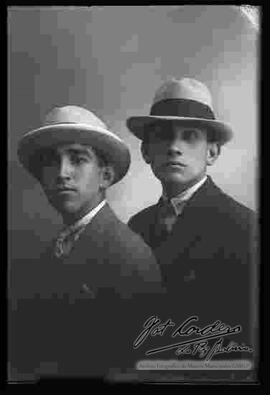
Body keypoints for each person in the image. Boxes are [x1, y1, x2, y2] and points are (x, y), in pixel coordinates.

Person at [9, 105, 164, 381]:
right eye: (51, 162)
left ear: (106, 176)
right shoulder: (45, 253)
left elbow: (138, 367)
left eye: (77, 159)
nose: (62, 173)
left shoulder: (129, 256)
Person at [126, 78, 258, 361]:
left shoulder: (245, 229)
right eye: (163, 135)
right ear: (146, 151)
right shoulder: (135, 227)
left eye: (189, 136)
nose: (174, 147)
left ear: (212, 152)